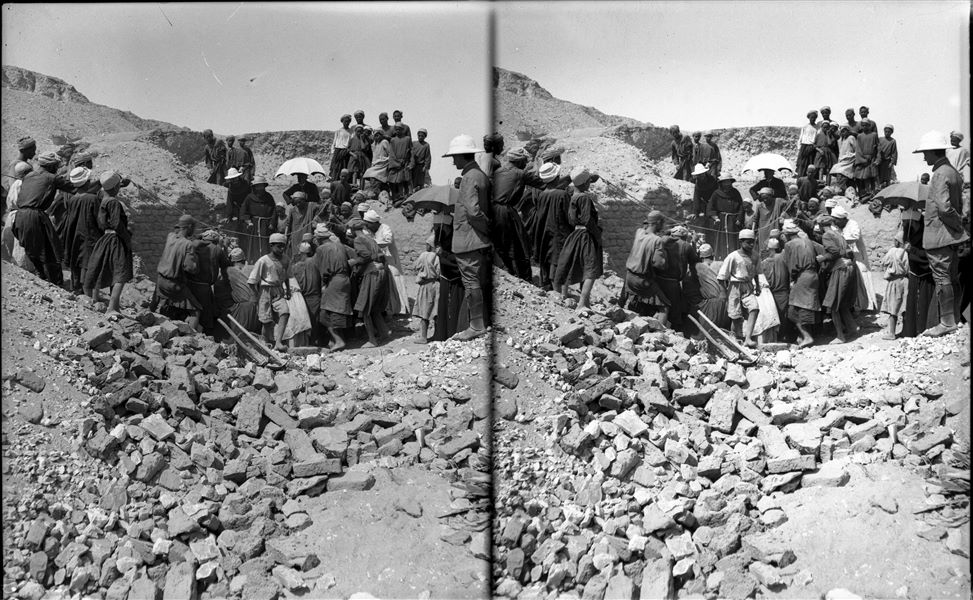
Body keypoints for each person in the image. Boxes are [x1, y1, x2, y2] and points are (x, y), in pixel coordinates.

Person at [914, 130, 969, 336]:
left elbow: (944, 208)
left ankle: (946, 322)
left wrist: (956, 225)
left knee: (942, 278)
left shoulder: (939, 174)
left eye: (925, 153)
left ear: (932, 152)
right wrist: (958, 228)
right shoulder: (953, 172)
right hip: (951, 236)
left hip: (939, 236)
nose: (924, 157)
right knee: (952, 278)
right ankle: (952, 319)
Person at [443, 134, 492, 341]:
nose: (453, 161)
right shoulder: (479, 174)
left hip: (469, 240)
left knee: (471, 282)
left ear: (462, 156)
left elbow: (473, 211)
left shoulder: (469, 177)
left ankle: (476, 325)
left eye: (455, 157)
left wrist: (485, 228)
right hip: (476, 238)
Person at [11, 152, 75, 284]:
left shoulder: (28, 176)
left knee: (33, 251)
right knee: (51, 251)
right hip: (34, 217)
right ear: (52, 167)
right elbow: (75, 188)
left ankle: (42, 277)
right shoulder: (52, 178)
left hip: (19, 216)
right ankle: (56, 284)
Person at [83, 170, 133, 314]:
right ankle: (113, 306)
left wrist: (119, 184)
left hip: (105, 237)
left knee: (100, 267)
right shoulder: (114, 203)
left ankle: (95, 298)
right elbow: (117, 223)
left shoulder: (102, 197)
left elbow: (108, 188)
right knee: (120, 274)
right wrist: (127, 238)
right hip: (116, 239)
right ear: (116, 187)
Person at [554, 167, 603, 310]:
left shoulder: (572, 194)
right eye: (588, 181)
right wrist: (597, 235)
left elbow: (579, 182)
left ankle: (564, 296)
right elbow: (587, 219)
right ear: (585, 183)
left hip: (575, 233)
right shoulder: (585, 198)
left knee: (569, 264)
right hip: (586, 235)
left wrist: (590, 177)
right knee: (590, 269)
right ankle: (583, 303)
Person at [153, 215, 202, 330]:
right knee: (196, 310)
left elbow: (177, 232)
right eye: (193, 228)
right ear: (189, 226)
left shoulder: (170, 237)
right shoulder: (188, 245)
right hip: (173, 285)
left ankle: (149, 318)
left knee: (155, 301)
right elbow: (190, 268)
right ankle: (193, 337)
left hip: (160, 281)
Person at [622, 211, 669, 323]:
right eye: (662, 223)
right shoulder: (657, 240)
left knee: (627, 299)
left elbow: (645, 227)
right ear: (658, 222)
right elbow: (659, 264)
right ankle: (661, 336)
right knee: (665, 307)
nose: (663, 226)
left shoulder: (639, 233)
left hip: (629, 277)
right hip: (642, 280)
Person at [312, 223, 353, 350]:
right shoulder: (339, 245)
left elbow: (324, 270)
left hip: (334, 281)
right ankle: (332, 341)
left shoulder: (322, 249)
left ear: (318, 238)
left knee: (325, 314)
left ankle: (339, 340)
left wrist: (323, 284)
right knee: (336, 310)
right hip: (345, 279)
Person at [531, 163, 572, 291]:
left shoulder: (542, 194)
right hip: (558, 232)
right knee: (557, 260)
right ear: (556, 178)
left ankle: (546, 286)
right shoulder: (562, 194)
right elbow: (569, 216)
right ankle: (558, 292)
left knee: (547, 257)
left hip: (544, 230)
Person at [781, 219, 821, 348]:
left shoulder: (790, 245)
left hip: (802, 277)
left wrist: (792, 280)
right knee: (807, 306)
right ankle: (801, 336)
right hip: (813, 275)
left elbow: (792, 266)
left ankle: (807, 336)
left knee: (794, 309)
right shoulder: (807, 241)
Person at [820, 215, 860, 344]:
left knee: (832, 304)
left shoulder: (826, 236)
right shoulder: (838, 233)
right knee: (841, 302)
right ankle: (853, 327)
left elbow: (834, 253)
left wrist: (823, 258)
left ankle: (840, 336)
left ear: (821, 226)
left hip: (841, 268)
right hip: (849, 267)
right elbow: (846, 251)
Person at [350, 219, 390, 347]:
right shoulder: (370, 238)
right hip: (381, 271)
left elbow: (366, 256)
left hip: (372, 272)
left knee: (365, 307)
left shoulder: (358, 240)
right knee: (375, 307)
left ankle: (372, 339)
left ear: (352, 229)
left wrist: (354, 262)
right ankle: (384, 332)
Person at [717, 229, 760, 348]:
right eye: (748, 242)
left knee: (754, 308)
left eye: (753, 242)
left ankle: (748, 338)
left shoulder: (755, 256)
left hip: (748, 286)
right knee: (735, 316)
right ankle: (735, 339)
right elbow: (721, 277)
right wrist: (723, 292)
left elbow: (756, 272)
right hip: (735, 287)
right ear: (741, 242)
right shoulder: (733, 257)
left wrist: (757, 285)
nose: (751, 245)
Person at [249, 232, 291, 351]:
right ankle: (264, 341)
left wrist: (287, 289)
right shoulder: (263, 261)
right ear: (271, 246)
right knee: (266, 320)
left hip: (278, 290)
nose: (281, 249)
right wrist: (257, 295)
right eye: (279, 246)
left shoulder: (285, 260)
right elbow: (252, 281)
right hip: (265, 291)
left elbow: (287, 276)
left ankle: (278, 342)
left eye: (283, 246)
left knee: (285, 313)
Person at [900, 205, 938, 337]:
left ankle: (923, 330)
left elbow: (929, 255)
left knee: (923, 303)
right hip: (914, 271)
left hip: (925, 273)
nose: (904, 224)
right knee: (911, 303)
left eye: (906, 222)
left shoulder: (927, 233)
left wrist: (912, 250)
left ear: (916, 222)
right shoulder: (908, 230)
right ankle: (910, 331)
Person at [831, 205, 876, 311]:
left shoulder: (853, 224)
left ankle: (866, 305)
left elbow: (854, 237)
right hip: (848, 257)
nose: (835, 223)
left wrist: (840, 239)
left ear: (842, 219)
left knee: (863, 280)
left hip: (859, 256)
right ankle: (854, 304)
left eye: (836, 220)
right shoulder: (838, 226)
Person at [368, 209, 409, 316]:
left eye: (368, 224)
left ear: (374, 223)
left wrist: (373, 244)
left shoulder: (385, 228)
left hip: (391, 261)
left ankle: (399, 309)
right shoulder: (371, 231)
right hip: (382, 261)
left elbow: (388, 240)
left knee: (395, 283)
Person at [290, 241, 322, 347]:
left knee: (310, 321)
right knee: (315, 320)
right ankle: (314, 341)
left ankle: (311, 343)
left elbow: (300, 282)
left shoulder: (300, 265)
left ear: (301, 253)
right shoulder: (315, 262)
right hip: (316, 295)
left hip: (307, 296)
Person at [758, 238, 790, 343]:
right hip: (784, 292)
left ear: (769, 249)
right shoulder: (784, 258)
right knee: (784, 316)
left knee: (773, 317)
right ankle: (784, 336)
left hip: (771, 294)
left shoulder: (764, 263)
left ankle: (775, 338)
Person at [706, 173, 744, 260]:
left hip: (733, 221)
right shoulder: (716, 194)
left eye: (729, 182)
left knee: (733, 240)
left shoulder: (735, 192)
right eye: (725, 182)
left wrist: (739, 218)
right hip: (722, 220)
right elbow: (710, 207)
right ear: (722, 183)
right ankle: (722, 258)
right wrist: (715, 217)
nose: (727, 184)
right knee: (721, 240)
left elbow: (741, 207)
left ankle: (735, 258)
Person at [880, 232, 909, 341]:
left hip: (894, 282)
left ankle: (891, 333)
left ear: (897, 241)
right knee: (904, 306)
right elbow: (908, 268)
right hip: (905, 281)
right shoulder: (906, 253)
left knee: (893, 308)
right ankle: (906, 330)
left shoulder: (892, 251)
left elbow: (883, 262)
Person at [693, 244, 730, 329]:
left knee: (711, 329)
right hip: (724, 300)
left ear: (700, 256)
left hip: (709, 303)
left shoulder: (697, 267)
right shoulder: (721, 264)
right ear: (713, 254)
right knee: (725, 328)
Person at [240, 175, 276, 262]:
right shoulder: (249, 198)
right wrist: (248, 221)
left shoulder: (269, 197)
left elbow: (274, 211)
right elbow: (243, 211)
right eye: (258, 186)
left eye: (261, 185)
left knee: (266, 243)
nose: (260, 188)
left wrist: (272, 223)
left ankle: (267, 260)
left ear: (264, 186)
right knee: (254, 243)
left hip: (266, 225)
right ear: (255, 187)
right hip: (254, 224)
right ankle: (255, 260)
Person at [413, 234, 441, 344]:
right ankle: (437, 334)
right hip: (437, 285)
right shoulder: (439, 257)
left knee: (424, 311)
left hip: (426, 286)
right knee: (436, 310)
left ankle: (423, 337)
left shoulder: (424, 255)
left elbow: (416, 266)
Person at [283, 191, 322, 257]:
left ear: (304, 200)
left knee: (308, 252)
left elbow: (321, 207)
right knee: (296, 254)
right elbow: (288, 224)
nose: (298, 204)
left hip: (307, 236)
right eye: (296, 203)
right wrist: (285, 236)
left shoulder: (311, 206)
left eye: (299, 202)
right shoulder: (292, 210)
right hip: (296, 237)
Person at [752, 187, 783, 258]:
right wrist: (753, 231)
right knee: (763, 250)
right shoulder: (759, 206)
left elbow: (788, 204)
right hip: (763, 232)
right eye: (763, 198)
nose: (765, 200)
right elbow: (755, 219)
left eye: (767, 198)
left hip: (774, 231)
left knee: (774, 247)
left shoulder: (778, 202)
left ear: (771, 196)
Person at [387, 123, 413, 206]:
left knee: (405, 180)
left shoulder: (407, 139)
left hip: (405, 163)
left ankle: (406, 197)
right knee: (394, 180)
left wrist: (411, 162)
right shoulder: (393, 140)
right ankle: (396, 197)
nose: (398, 131)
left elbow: (411, 151)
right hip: (396, 163)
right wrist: (397, 162)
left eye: (399, 129)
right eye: (396, 129)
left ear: (403, 130)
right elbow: (392, 153)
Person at [854, 120, 880, 198]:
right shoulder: (859, 136)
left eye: (866, 125)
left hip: (872, 158)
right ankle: (866, 193)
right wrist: (863, 159)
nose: (864, 127)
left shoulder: (874, 135)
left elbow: (878, 147)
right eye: (863, 125)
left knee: (872, 176)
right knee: (865, 177)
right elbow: (858, 149)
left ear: (869, 126)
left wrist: (878, 159)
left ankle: (873, 192)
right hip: (864, 159)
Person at [224, 167, 250, 238]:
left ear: (238, 177)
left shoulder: (246, 185)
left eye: (235, 178)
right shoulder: (231, 188)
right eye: (232, 179)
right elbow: (229, 202)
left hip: (248, 208)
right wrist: (229, 216)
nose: (234, 180)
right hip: (238, 210)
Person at [813, 120, 837, 185]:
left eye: (827, 127)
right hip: (820, 153)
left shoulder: (831, 136)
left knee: (828, 170)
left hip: (828, 153)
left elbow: (829, 143)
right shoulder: (818, 135)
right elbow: (814, 145)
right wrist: (819, 150)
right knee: (820, 169)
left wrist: (828, 135)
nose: (825, 129)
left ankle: (828, 185)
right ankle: (821, 184)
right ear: (821, 127)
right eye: (824, 127)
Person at [796, 110, 819, 177]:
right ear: (809, 117)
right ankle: (801, 178)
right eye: (811, 117)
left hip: (812, 147)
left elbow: (817, 138)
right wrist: (799, 148)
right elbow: (801, 138)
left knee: (810, 163)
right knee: (802, 163)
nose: (813, 119)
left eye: (814, 117)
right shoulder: (805, 127)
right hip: (804, 146)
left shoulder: (817, 127)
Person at [330, 114, 353, 180]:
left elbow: (350, 142)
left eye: (348, 121)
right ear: (342, 121)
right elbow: (334, 142)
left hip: (346, 151)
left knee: (344, 166)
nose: (346, 123)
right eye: (345, 121)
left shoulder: (351, 131)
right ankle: (335, 180)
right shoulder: (338, 131)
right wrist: (333, 151)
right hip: (338, 151)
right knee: (336, 167)